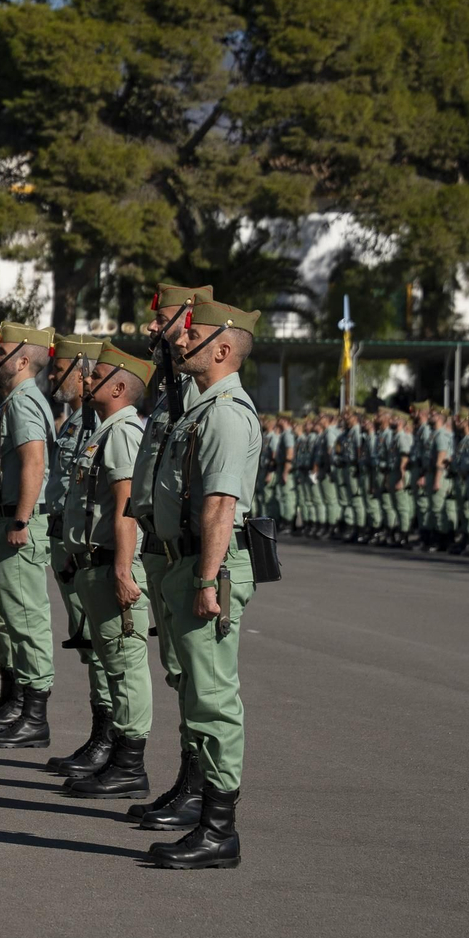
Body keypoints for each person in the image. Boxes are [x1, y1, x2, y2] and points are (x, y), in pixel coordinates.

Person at [146, 299, 263, 870]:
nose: (179, 341)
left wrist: (208, 578)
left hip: (204, 565)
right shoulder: (202, 407)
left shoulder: (223, 413)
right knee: (195, 691)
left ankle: (220, 829)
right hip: (187, 562)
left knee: (213, 697)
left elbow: (220, 505)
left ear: (221, 349)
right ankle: (204, 810)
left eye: (191, 336)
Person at [125, 281, 213, 831]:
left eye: (164, 320)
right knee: (179, 674)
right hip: (162, 550)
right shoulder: (173, 390)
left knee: (198, 680)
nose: (153, 330)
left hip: (187, 554)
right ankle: (188, 778)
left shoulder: (203, 393)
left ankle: (201, 785)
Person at [59, 343, 156, 800]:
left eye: (95, 374)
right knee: (112, 664)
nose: (85, 379)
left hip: (111, 565)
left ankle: (130, 763)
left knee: (126, 664)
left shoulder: (121, 432)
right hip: (92, 562)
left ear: (118, 386)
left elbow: (126, 505)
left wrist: (122, 568)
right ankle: (116, 750)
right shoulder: (103, 430)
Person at [0, 321, 58, 750]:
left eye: (2, 354)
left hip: (15, 524)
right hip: (0, 520)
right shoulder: (13, 402)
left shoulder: (24, 403)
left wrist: (21, 520)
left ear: (23, 361)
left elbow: (34, 463)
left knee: (27, 620)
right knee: (10, 617)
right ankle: (22, 703)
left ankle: (35, 715)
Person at [43, 336, 115, 771]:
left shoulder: (96, 423)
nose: (54, 374)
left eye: (63, 366)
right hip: (70, 544)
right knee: (90, 644)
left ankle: (110, 739)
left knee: (100, 645)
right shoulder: (74, 421)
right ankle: (101, 733)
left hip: (90, 548)